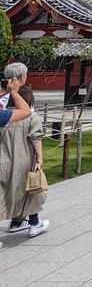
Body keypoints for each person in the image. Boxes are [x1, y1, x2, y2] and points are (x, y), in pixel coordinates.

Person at [0, 65, 48, 239]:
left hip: (3, 160)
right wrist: (40, 158)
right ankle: (34, 223)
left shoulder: (4, 114)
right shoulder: (29, 116)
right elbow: (36, 138)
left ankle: (16, 221)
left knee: (6, 192)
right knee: (30, 191)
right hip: (24, 159)